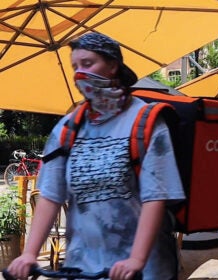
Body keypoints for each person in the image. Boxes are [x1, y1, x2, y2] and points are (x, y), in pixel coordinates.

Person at [8, 32, 185, 280]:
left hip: (144, 270)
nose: (80, 73)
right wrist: (29, 253)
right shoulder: (67, 129)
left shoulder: (146, 123)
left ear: (113, 65)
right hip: (83, 268)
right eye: (75, 67)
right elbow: (50, 195)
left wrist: (136, 260)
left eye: (88, 64)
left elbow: (155, 197)